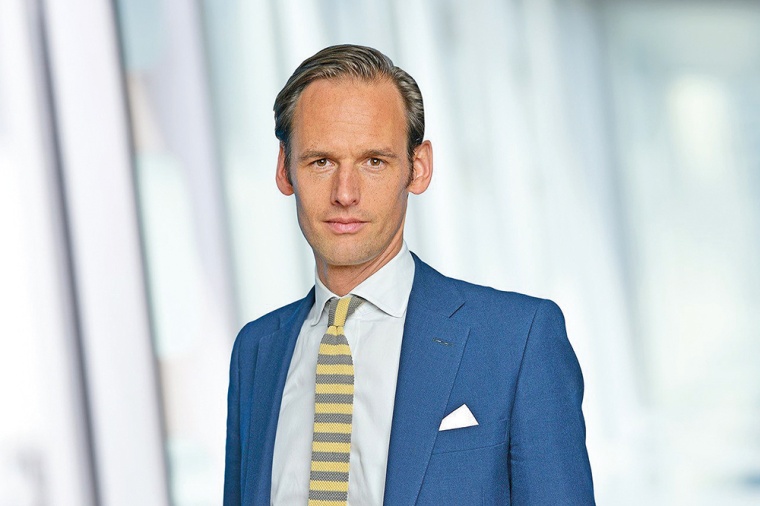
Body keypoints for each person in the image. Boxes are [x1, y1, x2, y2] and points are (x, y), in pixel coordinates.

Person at [223, 44, 594, 505]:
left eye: (374, 161)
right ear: (284, 169)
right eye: (321, 162)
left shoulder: (517, 341)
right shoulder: (256, 351)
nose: (345, 193)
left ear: (418, 168)